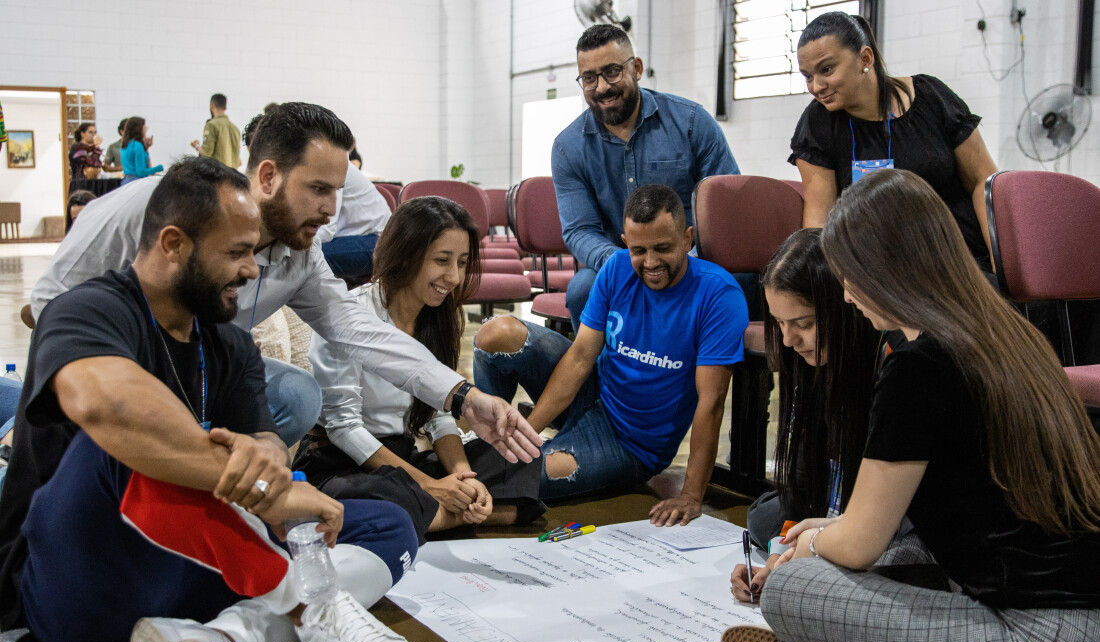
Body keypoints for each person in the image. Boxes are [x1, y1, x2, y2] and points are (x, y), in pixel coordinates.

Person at [0, 157, 426, 642]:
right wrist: (271, 490)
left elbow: (267, 446)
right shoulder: (88, 310)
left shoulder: (229, 345)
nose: (253, 270)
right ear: (173, 244)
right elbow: (106, 405)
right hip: (74, 587)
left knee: (387, 521)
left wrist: (272, 468)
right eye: (236, 252)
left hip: (189, 575)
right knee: (117, 447)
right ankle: (306, 607)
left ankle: (226, 639)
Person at [719, 169, 1100, 642]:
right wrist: (827, 528)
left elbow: (861, 543)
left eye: (849, 278)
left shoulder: (917, 367)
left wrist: (817, 543)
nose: (847, 294)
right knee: (845, 546)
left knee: (793, 589)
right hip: (1081, 633)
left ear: (885, 269)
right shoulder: (1007, 333)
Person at [28, 102, 541, 460]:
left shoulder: (301, 253)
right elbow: (49, 304)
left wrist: (462, 396)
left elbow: (359, 331)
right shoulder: (149, 205)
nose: (331, 209)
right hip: (115, 372)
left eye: (337, 190)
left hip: (206, 373)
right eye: (318, 188)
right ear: (268, 176)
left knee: (296, 393)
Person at [475, 185, 747, 524]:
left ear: (688, 238)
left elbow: (712, 401)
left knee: (518, 477)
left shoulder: (718, 295)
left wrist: (692, 494)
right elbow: (578, 359)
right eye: (638, 250)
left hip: (630, 443)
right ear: (624, 242)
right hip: (591, 392)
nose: (650, 262)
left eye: (663, 248)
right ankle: (490, 439)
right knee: (495, 334)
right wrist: (521, 436)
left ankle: (489, 473)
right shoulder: (617, 268)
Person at [295, 197, 545, 542]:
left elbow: (438, 415)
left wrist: (462, 477)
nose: (454, 277)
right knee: (386, 493)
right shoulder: (349, 315)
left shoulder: (438, 318)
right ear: (406, 253)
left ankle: (435, 517)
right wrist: (430, 485)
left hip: (402, 458)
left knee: (517, 454)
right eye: (442, 261)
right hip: (341, 462)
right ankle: (476, 515)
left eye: (461, 262)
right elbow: (345, 430)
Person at [552, 24, 741, 331]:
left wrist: (685, 260)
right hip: (617, 262)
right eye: (589, 78)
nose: (601, 87)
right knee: (582, 289)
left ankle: (743, 376)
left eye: (612, 71)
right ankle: (601, 378)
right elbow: (579, 230)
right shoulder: (568, 148)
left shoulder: (692, 123)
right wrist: (627, 262)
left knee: (745, 280)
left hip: (692, 260)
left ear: (636, 68)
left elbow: (726, 210)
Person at [729, 228, 883, 602]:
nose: (787, 340)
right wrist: (782, 552)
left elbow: (879, 508)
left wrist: (810, 545)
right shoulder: (809, 362)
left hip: (877, 507)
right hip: (833, 494)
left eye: (803, 324)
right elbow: (804, 472)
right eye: (780, 324)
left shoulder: (884, 364)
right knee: (764, 518)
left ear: (844, 306)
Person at [790, 11, 997, 271]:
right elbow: (820, 222)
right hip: (882, 274)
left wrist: (1000, 262)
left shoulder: (931, 97)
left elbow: (983, 181)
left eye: (827, 69)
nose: (816, 86)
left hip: (962, 260)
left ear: (865, 58)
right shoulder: (818, 123)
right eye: (808, 76)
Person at [246, 105, 389, 283]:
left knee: (297, 259)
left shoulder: (329, 167)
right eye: (319, 189)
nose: (330, 208)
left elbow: (327, 232)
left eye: (322, 189)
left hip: (375, 242)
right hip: (347, 236)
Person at [190, 93, 241, 169]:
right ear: (225, 107)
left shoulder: (211, 125)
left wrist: (197, 146)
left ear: (212, 105)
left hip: (218, 176)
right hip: (233, 176)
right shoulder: (235, 128)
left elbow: (206, 153)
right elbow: (238, 161)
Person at [120, 116, 163, 184]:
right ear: (139, 129)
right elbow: (141, 172)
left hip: (126, 181)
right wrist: (159, 168)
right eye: (144, 127)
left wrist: (146, 147)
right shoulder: (137, 145)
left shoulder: (125, 144)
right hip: (136, 183)